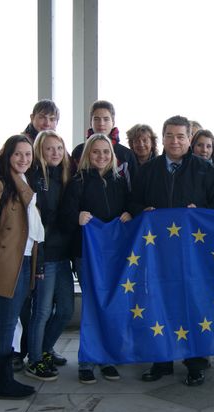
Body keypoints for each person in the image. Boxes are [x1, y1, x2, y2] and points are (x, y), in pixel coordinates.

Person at [132, 115, 214, 386]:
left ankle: (196, 363)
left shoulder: (207, 170)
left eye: (181, 136)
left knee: (194, 305)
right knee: (159, 305)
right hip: (157, 254)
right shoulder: (148, 170)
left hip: (193, 255)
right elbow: (133, 201)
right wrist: (142, 211)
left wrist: (203, 214)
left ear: (189, 139)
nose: (175, 141)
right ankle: (161, 361)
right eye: (170, 135)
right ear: (161, 139)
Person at [0, 134, 44, 399]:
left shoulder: (24, 182)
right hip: (7, 264)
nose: (23, 159)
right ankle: (2, 383)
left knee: (11, 323)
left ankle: (3, 378)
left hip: (25, 261)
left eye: (28, 154)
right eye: (18, 154)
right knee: (7, 324)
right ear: (7, 156)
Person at [62, 133, 135, 384]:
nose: (101, 156)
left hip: (114, 255)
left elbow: (131, 204)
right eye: (96, 152)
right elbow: (65, 213)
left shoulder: (119, 181)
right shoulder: (78, 181)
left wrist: (129, 212)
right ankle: (87, 360)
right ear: (87, 155)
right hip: (87, 255)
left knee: (110, 304)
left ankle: (107, 358)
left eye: (106, 152)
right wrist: (77, 216)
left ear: (112, 156)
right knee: (92, 306)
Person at [24, 131, 75, 381]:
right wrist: (39, 258)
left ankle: (45, 348)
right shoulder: (35, 179)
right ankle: (34, 360)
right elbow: (36, 224)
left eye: (59, 148)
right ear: (39, 152)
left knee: (65, 309)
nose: (55, 153)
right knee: (42, 311)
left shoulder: (66, 176)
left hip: (63, 254)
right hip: (44, 255)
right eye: (49, 149)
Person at [17, 98, 61, 372]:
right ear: (33, 117)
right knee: (32, 310)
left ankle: (41, 349)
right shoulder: (26, 163)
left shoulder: (61, 168)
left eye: (52, 118)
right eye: (42, 117)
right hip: (32, 250)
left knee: (56, 309)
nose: (47, 122)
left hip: (57, 249)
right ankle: (31, 356)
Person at [71, 100, 137, 191]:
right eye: (96, 119)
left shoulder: (126, 155)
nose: (101, 123)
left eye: (106, 119)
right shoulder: (79, 152)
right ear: (91, 122)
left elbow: (134, 190)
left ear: (113, 122)